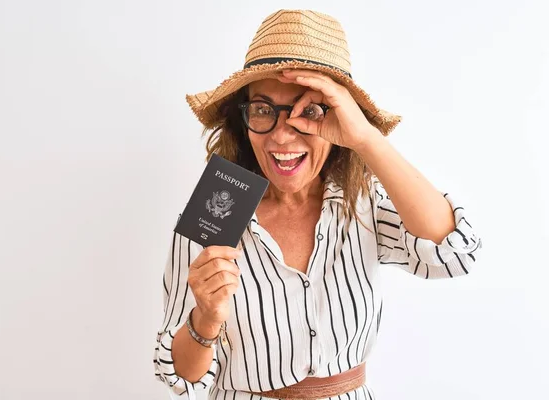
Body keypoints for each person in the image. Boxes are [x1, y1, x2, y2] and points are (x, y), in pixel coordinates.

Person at [154, 9, 482, 400]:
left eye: (307, 110)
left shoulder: (364, 203)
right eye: (263, 110)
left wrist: (366, 139)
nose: (282, 135)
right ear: (242, 119)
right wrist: (205, 320)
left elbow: (455, 253)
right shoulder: (214, 212)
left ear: (338, 115)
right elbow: (180, 378)